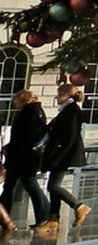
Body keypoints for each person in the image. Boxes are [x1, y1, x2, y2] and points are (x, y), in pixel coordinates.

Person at [1, 89, 49, 234]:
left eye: (15, 101)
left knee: (28, 184)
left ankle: (45, 216)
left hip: (22, 157)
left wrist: (10, 148)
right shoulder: (36, 111)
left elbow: (24, 137)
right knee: (12, 185)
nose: (14, 104)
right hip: (25, 156)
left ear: (22, 100)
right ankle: (5, 217)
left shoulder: (29, 113)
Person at [43, 84, 90, 231]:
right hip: (60, 152)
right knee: (52, 185)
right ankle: (53, 219)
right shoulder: (66, 109)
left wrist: (59, 155)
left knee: (53, 186)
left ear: (64, 94)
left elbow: (71, 136)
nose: (56, 97)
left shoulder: (72, 111)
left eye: (58, 94)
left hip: (64, 153)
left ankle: (79, 206)